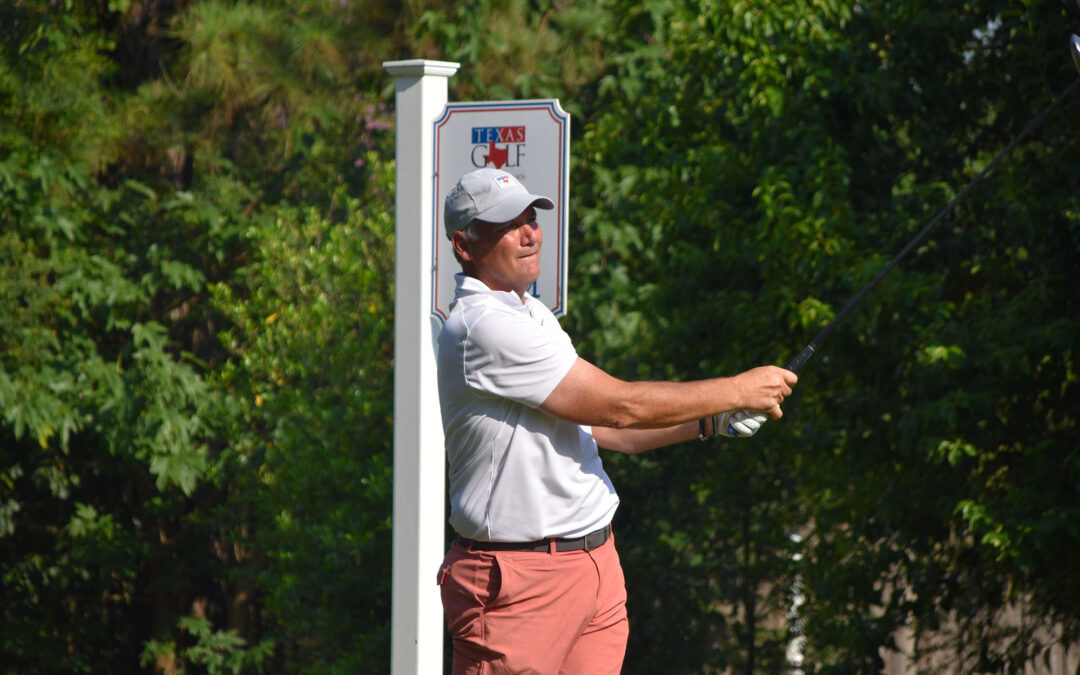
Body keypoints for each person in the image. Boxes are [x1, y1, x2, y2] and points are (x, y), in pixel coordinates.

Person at [435, 167, 797, 674]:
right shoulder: (483, 328)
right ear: (463, 245)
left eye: (530, 218)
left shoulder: (530, 314)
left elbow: (605, 430)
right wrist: (739, 388)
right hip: (518, 584)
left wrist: (712, 420)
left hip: (595, 566)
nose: (529, 233)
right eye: (505, 224)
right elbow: (621, 404)